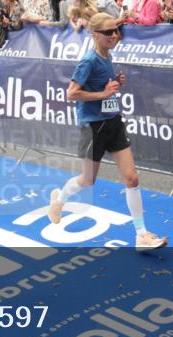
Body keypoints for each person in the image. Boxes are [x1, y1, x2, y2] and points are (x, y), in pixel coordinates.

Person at [48, 14, 166, 251]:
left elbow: (104, 88)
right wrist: (102, 94)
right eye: (108, 32)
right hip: (93, 128)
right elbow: (72, 93)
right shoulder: (88, 61)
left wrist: (114, 84)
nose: (114, 35)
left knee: (131, 178)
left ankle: (141, 234)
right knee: (87, 180)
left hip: (113, 122)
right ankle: (59, 201)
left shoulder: (107, 56)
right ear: (94, 35)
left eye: (116, 30)